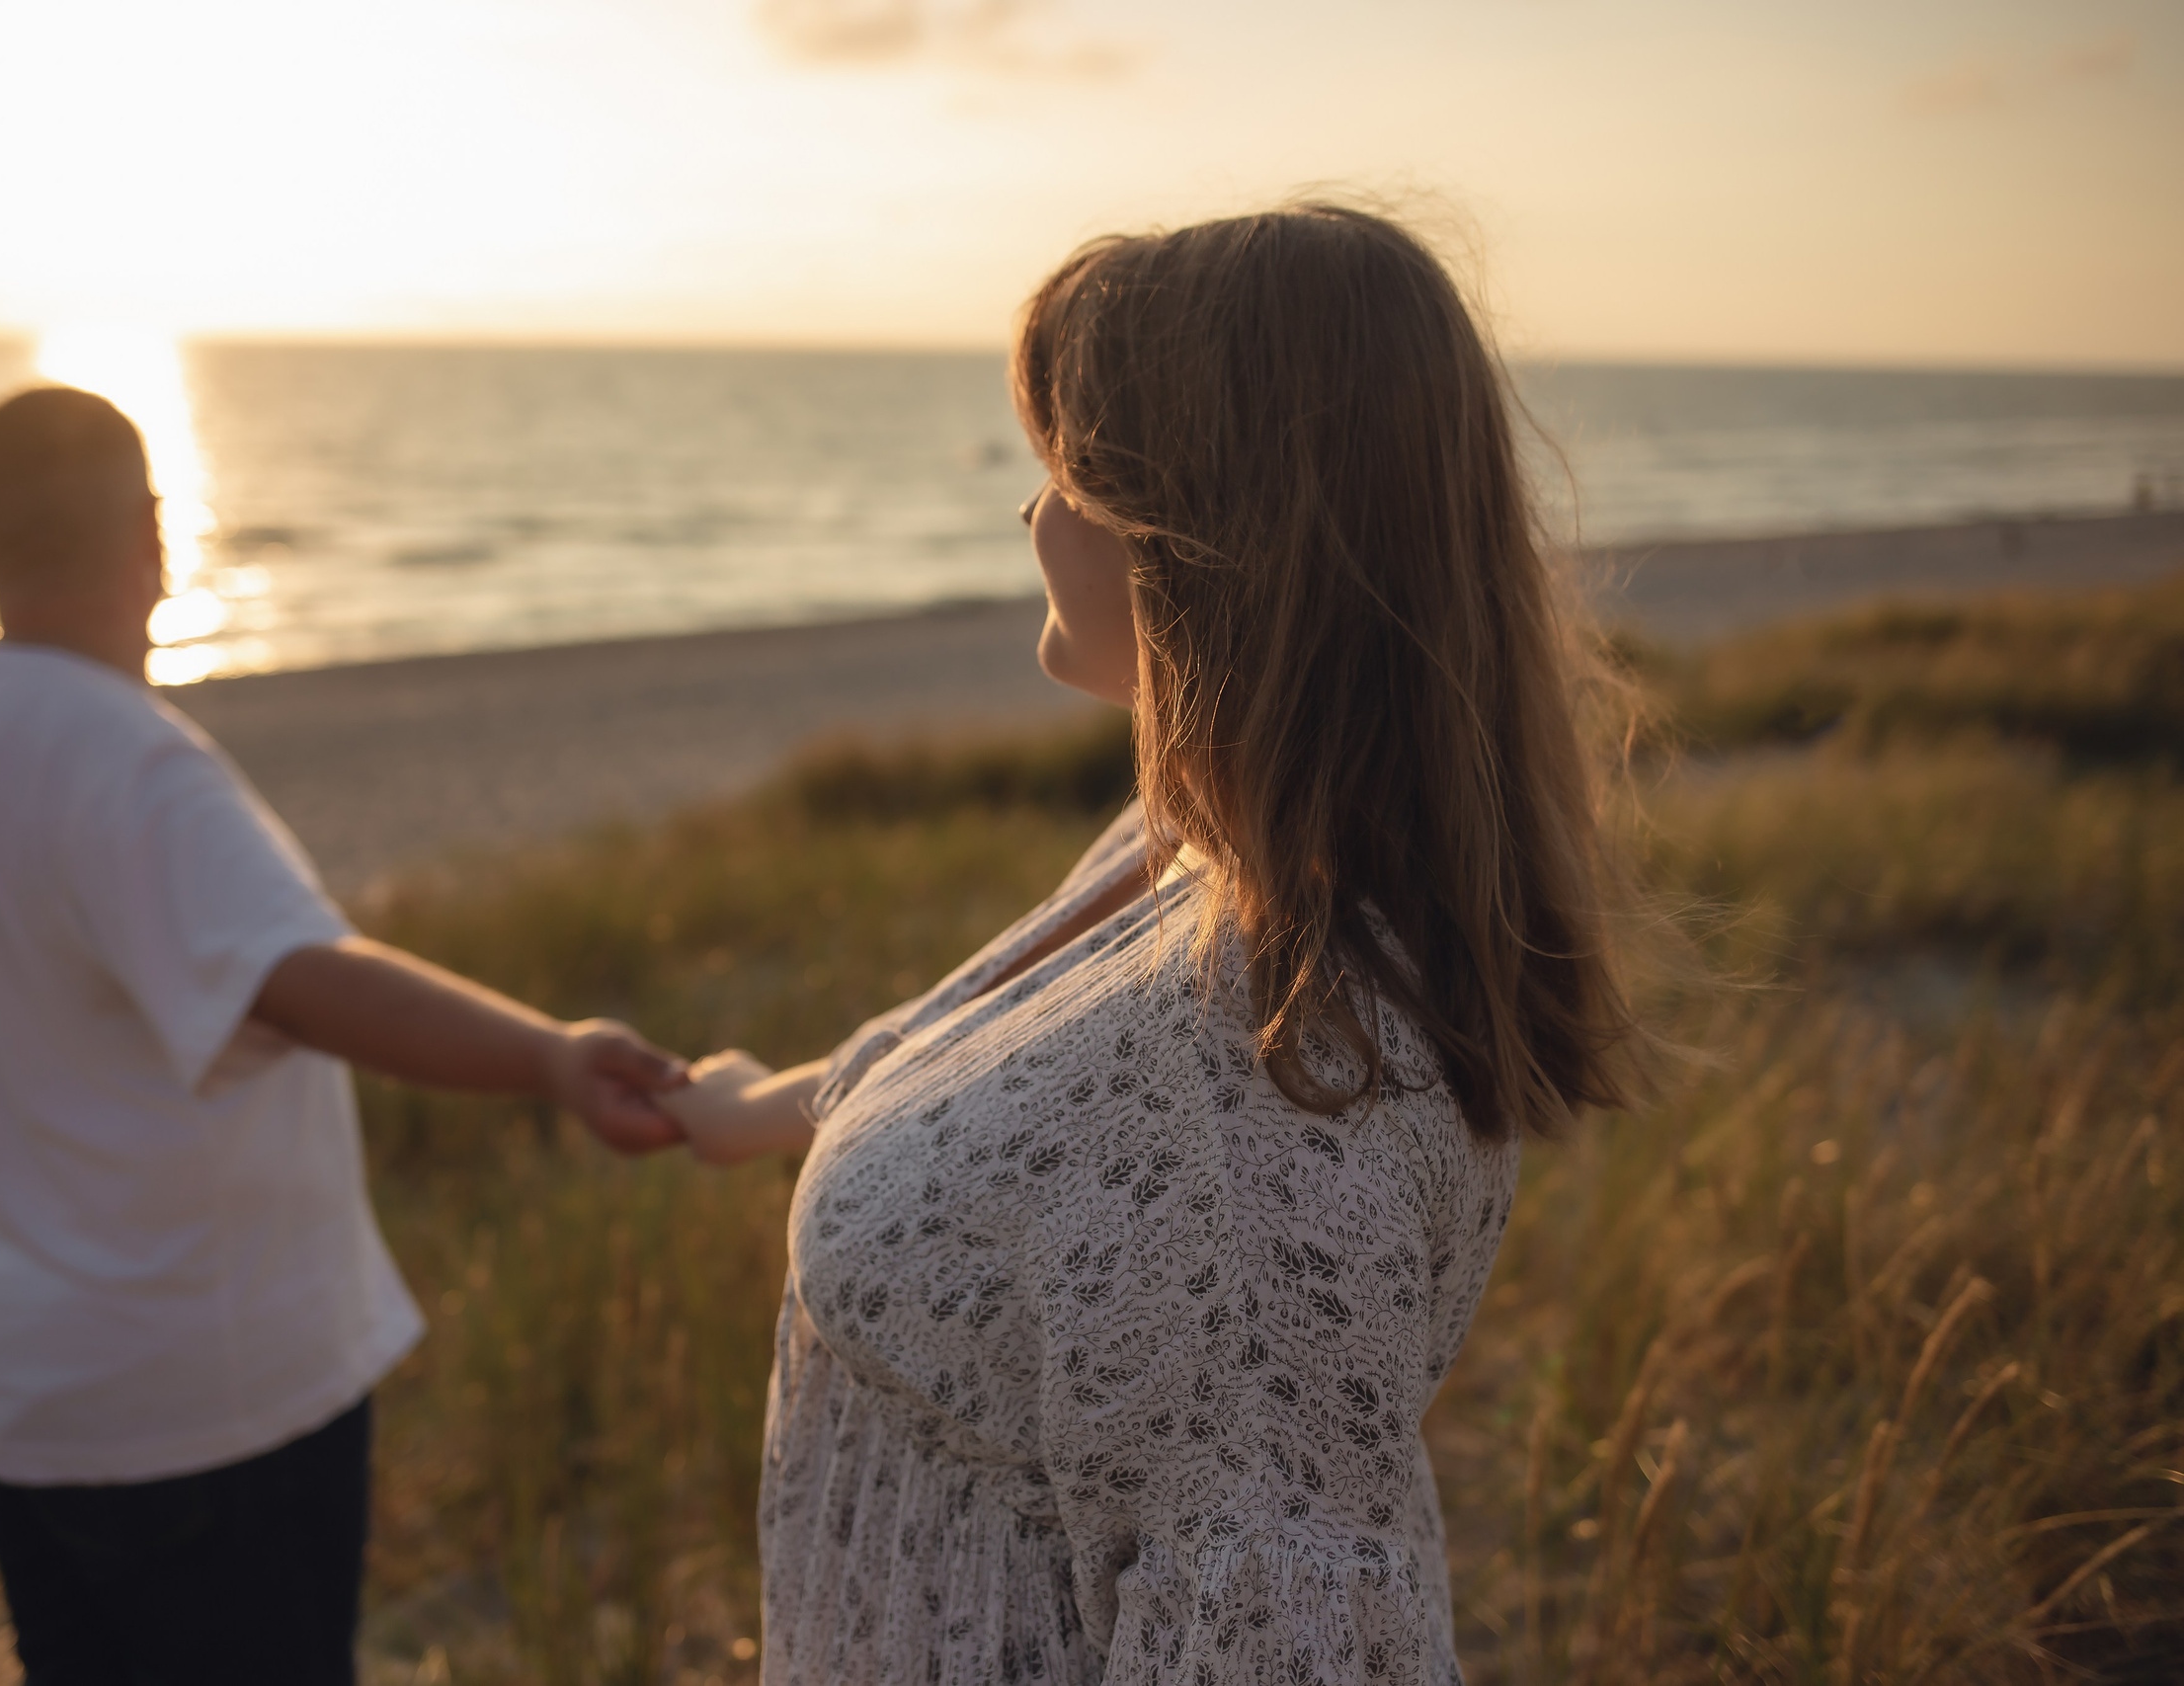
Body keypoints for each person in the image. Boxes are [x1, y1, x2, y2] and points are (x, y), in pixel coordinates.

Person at [666, 204, 1649, 1683]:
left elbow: (1285, 1631)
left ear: (1208, 538)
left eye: (1072, 474)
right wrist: (765, 1106)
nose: (1032, 515)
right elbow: (1018, 1083)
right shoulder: (1224, 849)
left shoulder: (1272, 1125)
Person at [0, 386, 688, 1686]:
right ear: (156, 534)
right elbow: (304, 979)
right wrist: (550, 1056)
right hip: (192, 1414)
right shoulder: (129, 761)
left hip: (12, 1402)